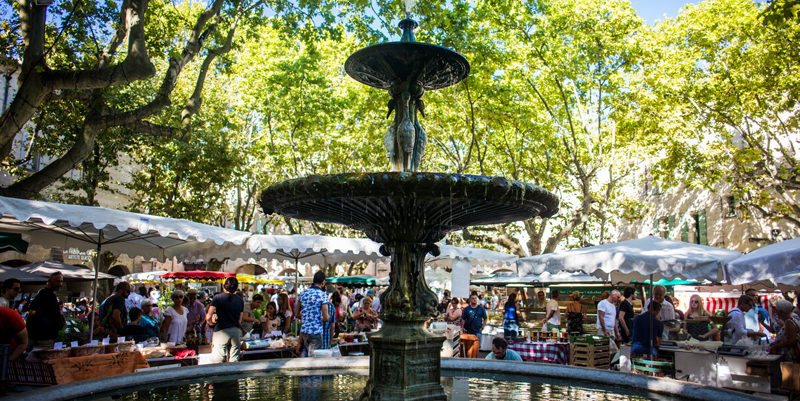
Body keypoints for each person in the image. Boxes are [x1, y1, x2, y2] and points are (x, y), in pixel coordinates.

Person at [207, 277, 245, 363]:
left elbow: (208, 316)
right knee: (234, 359)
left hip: (221, 331)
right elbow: (240, 320)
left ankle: (220, 376)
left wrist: (211, 323)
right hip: (236, 331)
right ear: (236, 288)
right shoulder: (240, 300)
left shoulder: (217, 298)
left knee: (218, 359)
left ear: (224, 286)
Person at [295, 271, 330, 357]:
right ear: (323, 282)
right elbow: (326, 317)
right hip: (316, 331)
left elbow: (296, 314)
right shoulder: (322, 295)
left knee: (306, 358)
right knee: (315, 360)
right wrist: (317, 318)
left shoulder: (303, 294)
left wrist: (306, 317)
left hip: (305, 331)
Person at [26, 271, 65, 348]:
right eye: (57, 281)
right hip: (43, 336)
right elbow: (33, 313)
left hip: (49, 335)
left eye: (61, 281)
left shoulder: (51, 295)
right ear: (50, 281)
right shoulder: (44, 295)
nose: (59, 284)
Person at [461, 291, 487, 358]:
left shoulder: (481, 308)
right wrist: (463, 327)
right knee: (469, 348)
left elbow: (485, 319)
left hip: (477, 331)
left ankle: (476, 359)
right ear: (470, 299)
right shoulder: (467, 309)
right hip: (469, 330)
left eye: (475, 298)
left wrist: (482, 327)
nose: (474, 299)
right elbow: (463, 318)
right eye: (472, 298)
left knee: (477, 347)